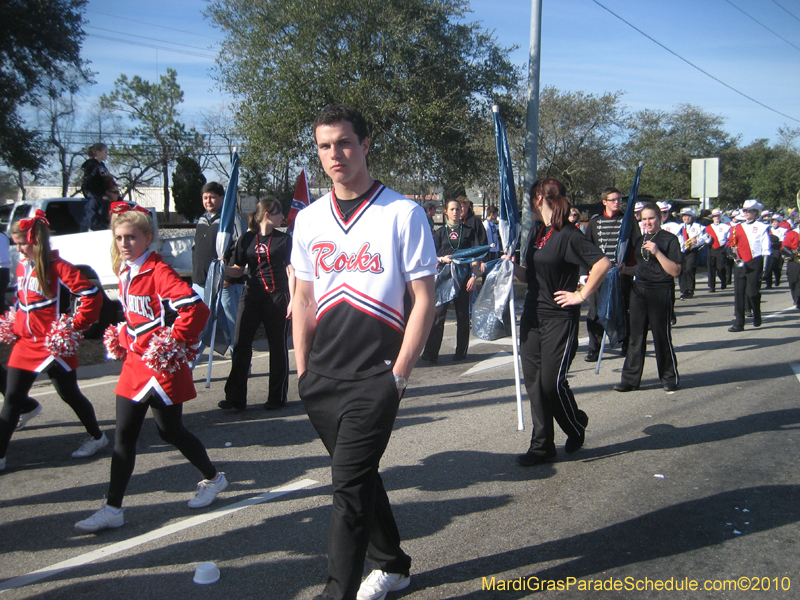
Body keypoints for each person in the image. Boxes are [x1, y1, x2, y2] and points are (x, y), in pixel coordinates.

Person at [291, 104, 436, 600]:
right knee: (360, 476)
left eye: (345, 142)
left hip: (376, 377)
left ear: (366, 144)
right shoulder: (309, 219)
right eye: (325, 146)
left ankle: (337, 593)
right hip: (321, 378)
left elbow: (424, 300)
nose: (335, 154)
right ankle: (393, 564)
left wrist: (398, 376)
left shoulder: (403, 213)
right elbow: (303, 298)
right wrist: (302, 372)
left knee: (347, 489)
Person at [75, 203, 227, 533]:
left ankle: (214, 478)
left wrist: (173, 342)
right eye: (119, 238)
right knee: (124, 437)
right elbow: (135, 319)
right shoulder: (125, 271)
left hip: (160, 367)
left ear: (147, 237)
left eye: (131, 237)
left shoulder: (159, 271)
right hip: (135, 365)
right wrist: (124, 335)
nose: (124, 244)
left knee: (170, 432)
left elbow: (196, 310)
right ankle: (113, 508)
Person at [506, 178, 610, 466]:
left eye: (531, 197)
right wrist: (510, 267)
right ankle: (542, 446)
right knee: (534, 384)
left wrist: (581, 295)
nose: (529, 203)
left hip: (559, 318)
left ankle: (575, 425)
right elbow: (529, 276)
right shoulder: (538, 232)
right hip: (532, 316)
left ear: (540, 198)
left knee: (551, 383)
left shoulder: (569, 234)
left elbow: (602, 263)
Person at [0, 213, 105, 472]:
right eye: (16, 243)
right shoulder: (23, 267)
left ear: (35, 241)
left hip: (52, 345)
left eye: (22, 243)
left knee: (69, 394)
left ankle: (96, 436)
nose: (18, 249)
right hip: (25, 343)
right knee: (12, 398)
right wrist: (14, 322)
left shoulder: (58, 266)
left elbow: (91, 294)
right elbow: (21, 302)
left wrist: (73, 325)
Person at [220, 198, 295, 411]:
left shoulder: (284, 239)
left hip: (277, 296)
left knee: (277, 346)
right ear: (267, 215)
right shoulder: (246, 239)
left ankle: (277, 397)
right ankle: (235, 399)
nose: (282, 217)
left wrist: (292, 300)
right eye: (279, 213)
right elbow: (237, 269)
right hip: (251, 295)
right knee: (241, 344)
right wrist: (222, 269)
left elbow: (291, 270)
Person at [614, 204, 682, 393]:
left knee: (661, 336)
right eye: (644, 219)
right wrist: (625, 270)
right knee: (635, 337)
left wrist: (657, 252)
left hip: (660, 290)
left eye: (651, 218)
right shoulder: (640, 240)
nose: (647, 222)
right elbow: (642, 268)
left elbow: (675, 271)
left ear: (660, 218)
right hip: (639, 290)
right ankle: (630, 380)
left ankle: (669, 377)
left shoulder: (670, 239)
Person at [420, 199, 480, 363]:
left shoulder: (469, 232)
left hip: (463, 277)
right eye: (452, 209)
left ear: (462, 212)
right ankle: (431, 353)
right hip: (444, 277)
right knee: (438, 315)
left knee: (462, 315)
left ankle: (461, 352)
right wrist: (442, 259)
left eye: (458, 209)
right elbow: (431, 256)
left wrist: (474, 276)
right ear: (446, 212)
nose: (455, 212)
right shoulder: (439, 233)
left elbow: (475, 256)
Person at [191, 181, 246, 361]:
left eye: (212, 197)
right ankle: (188, 368)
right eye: (205, 197)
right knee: (199, 326)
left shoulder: (232, 219)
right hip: (201, 283)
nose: (208, 201)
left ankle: (241, 365)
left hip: (225, 284)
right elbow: (196, 249)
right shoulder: (201, 220)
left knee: (232, 327)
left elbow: (240, 248)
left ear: (222, 198)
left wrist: (229, 276)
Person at [585, 187, 634, 361]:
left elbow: (635, 246)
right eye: (613, 199)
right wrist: (585, 273)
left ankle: (626, 343)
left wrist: (632, 268)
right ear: (604, 202)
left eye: (619, 199)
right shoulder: (595, 222)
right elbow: (587, 248)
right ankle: (594, 348)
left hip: (621, 273)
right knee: (595, 312)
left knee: (623, 310)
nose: (617, 202)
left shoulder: (628, 221)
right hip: (600, 274)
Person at [726, 199, 771, 332]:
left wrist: (766, 268)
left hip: (755, 262)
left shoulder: (762, 227)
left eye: (749, 211)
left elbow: (766, 248)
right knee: (739, 293)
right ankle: (739, 323)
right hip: (740, 262)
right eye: (745, 210)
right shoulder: (736, 228)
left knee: (752, 293)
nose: (746, 213)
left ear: (756, 212)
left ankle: (757, 312)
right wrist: (729, 250)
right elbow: (730, 243)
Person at [675, 207, 707, 300]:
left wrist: (697, 241)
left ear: (692, 216)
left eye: (687, 216)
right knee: (681, 270)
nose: (685, 218)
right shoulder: (678, 226)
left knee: (689, 268)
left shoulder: (698, 226)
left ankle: (689, 289)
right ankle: (683, 289)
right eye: (684, 216)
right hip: (681, 250)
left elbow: (705, 237)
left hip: (692, 250)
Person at [80, 143, 112, 232]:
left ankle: (104, 223)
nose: (107, 154)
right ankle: (96, 225)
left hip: (100, 193)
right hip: (92, 192)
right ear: (98, 152)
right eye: (105, 152)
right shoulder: (91, 164)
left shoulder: (102, 165)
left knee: (105, 203)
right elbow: (90, 182)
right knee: (97, 205)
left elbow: (106, 179)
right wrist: (101, 194)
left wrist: (108, 191)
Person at [705, 208, 731, 293]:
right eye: (715, 216)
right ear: (712, 218)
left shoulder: (726, 227)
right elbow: (705, 237)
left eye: (718, 216)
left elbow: (729, 237)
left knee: (720, 268)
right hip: (712, 248)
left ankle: (723, 279)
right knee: (711, 268)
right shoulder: (708, 228)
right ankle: (712, 286)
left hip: (722, 249)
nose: (716, 218)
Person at [781, 223, 800, 309]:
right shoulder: (792, 233)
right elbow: (784, 247)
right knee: (793, 280)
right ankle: (796, 298)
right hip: (794, 259)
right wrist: (792, 254)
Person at [766, 215, 786, 289]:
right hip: (769, 249)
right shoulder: (768, 229)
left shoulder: (782, 230)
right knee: (769, 267)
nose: (774, 224)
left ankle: (777, 279)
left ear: (778, 223)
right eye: (773, 222)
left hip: (777, 249)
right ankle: (769, 284)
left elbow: (782, 241)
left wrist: (775, 244)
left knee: (776, 267)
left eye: (775, 222)